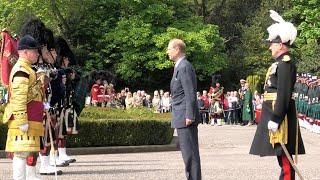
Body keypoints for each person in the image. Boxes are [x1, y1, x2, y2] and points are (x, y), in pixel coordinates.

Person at [249, 10, 305, 180]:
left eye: (272, 44)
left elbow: (284, 94)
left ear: (280, 44)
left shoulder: (286, 63)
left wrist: (276, 117)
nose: (269, 47)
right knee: (281, 158)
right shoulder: (279, 63)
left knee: (285, 159)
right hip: (275, 114)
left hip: (281, 118)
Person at [3, 35, 44, 180]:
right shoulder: (22, 70)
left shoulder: (27, 69)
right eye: (35, 51)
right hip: (25, 120)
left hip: (31, 120)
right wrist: (22, 120)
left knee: (28, 152)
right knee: (20, 154)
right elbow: (19, 98)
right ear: (26, 52)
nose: (37, 54)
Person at [167, 38, 201, 180]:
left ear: (177, 49)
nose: (167, 52)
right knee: (187, 155)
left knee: (190, 155)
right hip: (181, 116)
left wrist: (190, 115)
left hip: (185, 118)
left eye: (169, 48)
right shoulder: (179, 67)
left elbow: (190, 93)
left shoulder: (184, 67)